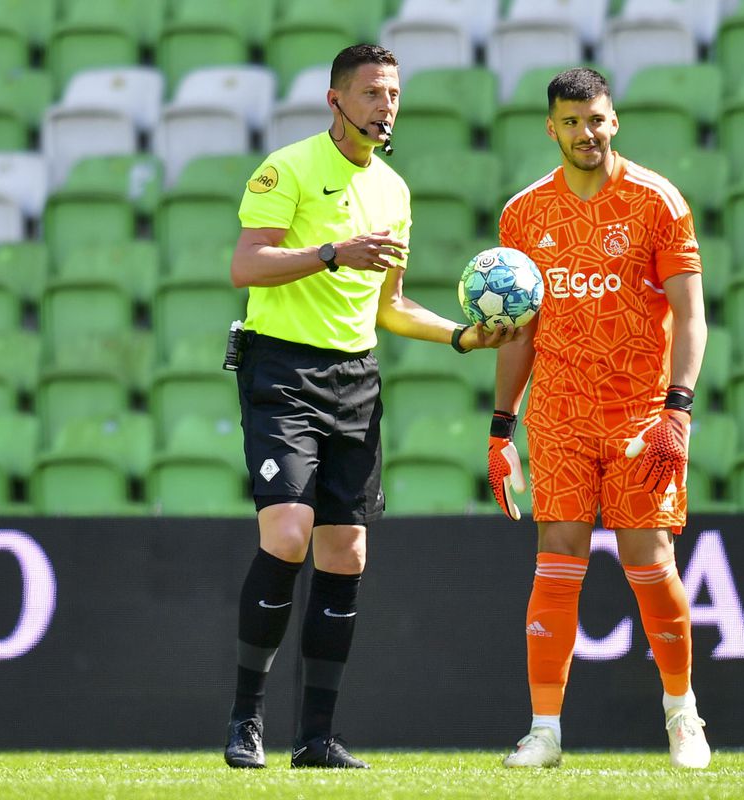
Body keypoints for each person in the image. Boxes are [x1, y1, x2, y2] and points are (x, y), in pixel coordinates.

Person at [223, 44, 508, 770]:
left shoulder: (395, 190)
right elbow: (244, 266)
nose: (388, 105)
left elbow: (393, 305)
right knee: (289, 532)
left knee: (346, 550)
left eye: (395, 93)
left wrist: (462, 335)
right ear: (336, 100)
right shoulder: (285, 170)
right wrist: (329, 253)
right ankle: (245, 719)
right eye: (375, 92)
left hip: (355, 377)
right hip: (281, 367)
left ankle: (316, 738)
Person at [487, 68, 711, 769]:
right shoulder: (523, 214)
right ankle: (544, 731)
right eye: (573, 121)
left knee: (649, 556)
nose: (589, 132)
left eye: (599, 119)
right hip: (558, 412)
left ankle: (683, 717)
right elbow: (519, 330)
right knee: (557, 558)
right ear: (551, 128)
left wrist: (679, 407)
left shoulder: (657, 201)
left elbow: (692, 312)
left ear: (615, 121)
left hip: (640, 411)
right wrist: (500, 428)